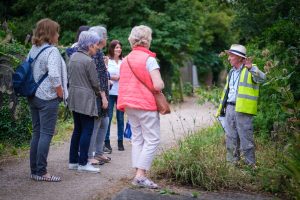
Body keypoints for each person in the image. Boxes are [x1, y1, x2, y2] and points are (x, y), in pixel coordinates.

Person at [117, 25, 164, 189]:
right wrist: (160, 83)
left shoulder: (126, 60)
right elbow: (158, 85)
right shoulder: (149, 60)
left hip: (129, 104)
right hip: (145, 104)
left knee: (137, 139)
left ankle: (138, 173)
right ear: (147, 40)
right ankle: (140, 176)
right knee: (152, 139)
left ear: (132, 40)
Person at [28, 18, 68, 182]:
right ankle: (42, 172)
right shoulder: (52, 51)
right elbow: (53, 74)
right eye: (56, 32)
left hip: (33, 96)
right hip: (47, 97)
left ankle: (34, 170)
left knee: (37, 133)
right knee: (45, 134)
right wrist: (60, 93)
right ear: (51, 33)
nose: (58, 35)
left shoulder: (33, 49)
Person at [216, 44, 266, 168]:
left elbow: (263, 79)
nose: (229, 58)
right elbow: (228, 92)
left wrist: (251, 69)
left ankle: (250, 167)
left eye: (231, 56)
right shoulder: (231, 72)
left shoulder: (251, 68)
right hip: (230, 108)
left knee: (245, 139)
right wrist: (222, 109)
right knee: (230, 138)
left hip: (243, 109)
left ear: (239, 57)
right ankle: (231, 166)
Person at [67, 31, 102, 173]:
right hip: (86, 98)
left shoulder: (73, 56)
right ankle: (83, 163)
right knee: (87, 130)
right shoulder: (88, 61)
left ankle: (73, 161)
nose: (97, 48)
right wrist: (101, 91)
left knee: (78, 130)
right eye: (95, 45)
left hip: (74, 97)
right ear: (89, 45)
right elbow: (95, 83)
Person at [87, 26, 111, 165]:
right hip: (98, 95)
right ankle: (91, 155)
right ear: (101, 38)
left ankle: (99, 152)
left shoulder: (99, 53)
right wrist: (102, 96)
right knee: (95, 125)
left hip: (103, 94)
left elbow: (102, 75)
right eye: (105, 36)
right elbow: (97, 78)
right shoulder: (95, 53)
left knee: (104, 122)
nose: (107, 39)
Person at [105, 40, 125, 152]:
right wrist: (113, 78)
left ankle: (120, 141)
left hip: (121, 92)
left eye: (120, 47)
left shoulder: (124, 61)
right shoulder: (107, 60)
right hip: (110, 92)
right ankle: (106, 142)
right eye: (116, 47)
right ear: (112, 49)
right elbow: (103, 75)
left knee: (121, 118)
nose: (118, 49)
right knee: (108, 117)